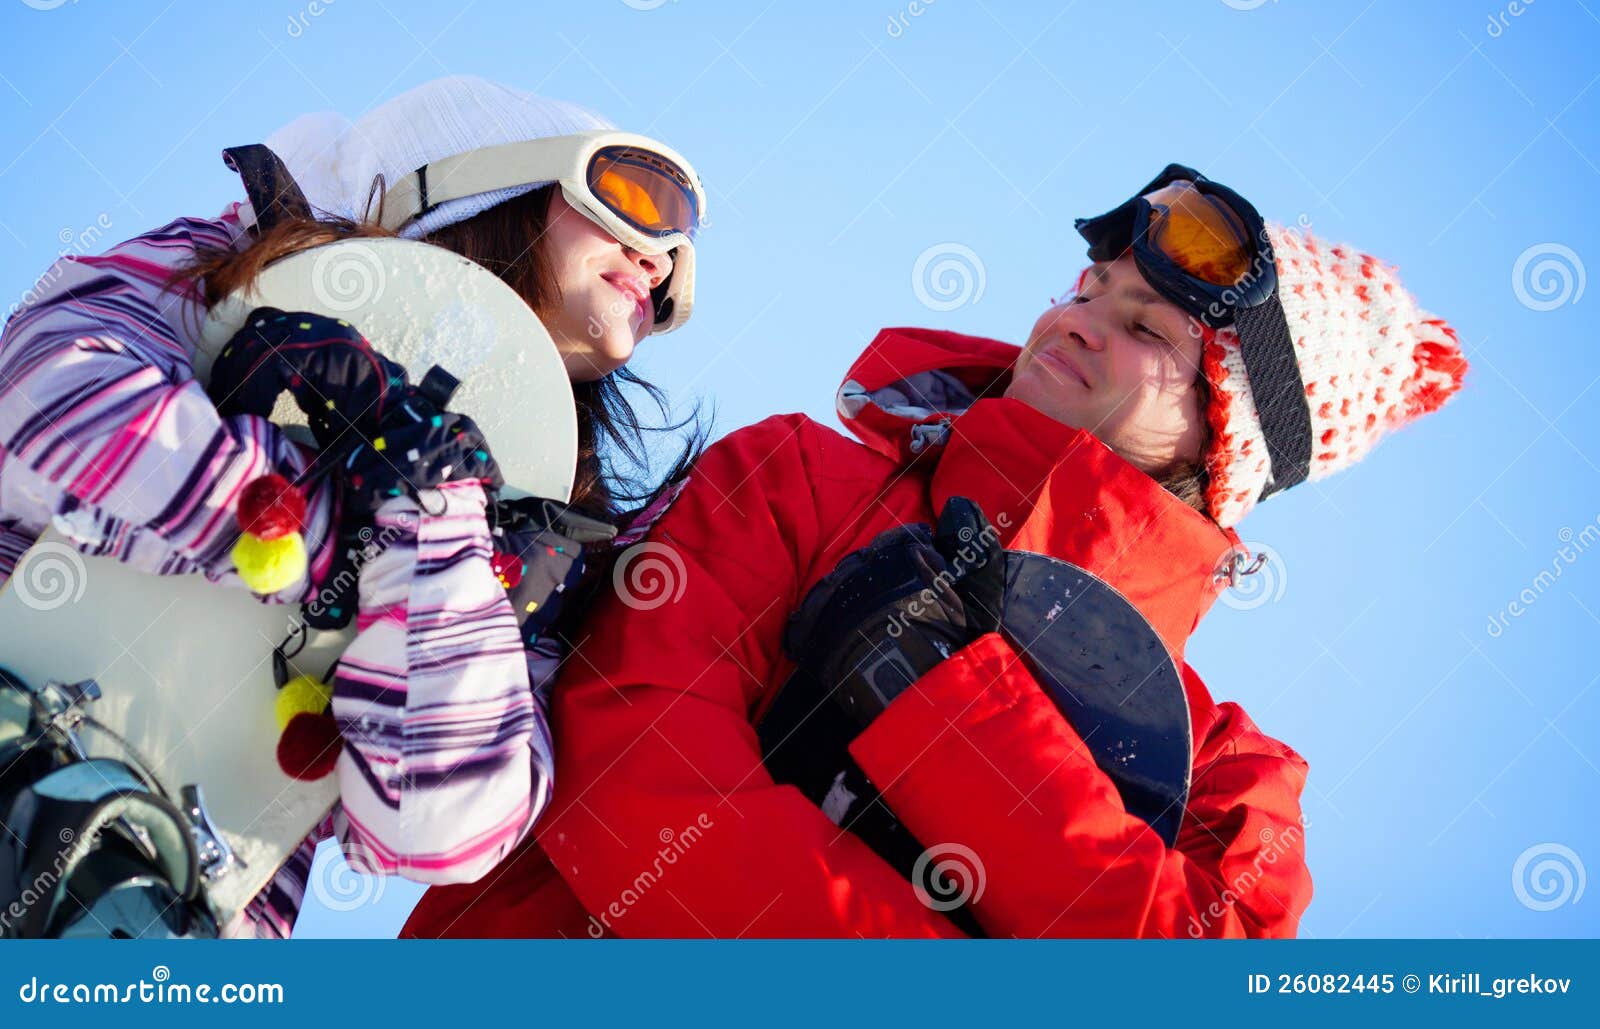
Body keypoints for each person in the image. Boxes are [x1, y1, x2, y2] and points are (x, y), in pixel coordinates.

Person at [401, 162, 1467, 939]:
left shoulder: (1230, 783)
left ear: (1225, 440)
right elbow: (630, 774)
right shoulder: (798, 477)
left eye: (1148, 330)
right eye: (1086, 290)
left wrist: (952, 697)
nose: (1080, 320)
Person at [0, 75, 706, 937]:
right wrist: (340, 536)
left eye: (676, 252)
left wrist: (435, 530)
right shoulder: (229, 269)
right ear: (488, 180)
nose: (660, 258)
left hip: (153, 915)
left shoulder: (535, 548)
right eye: (633, 200)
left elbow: (447, 822)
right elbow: (50, 406)